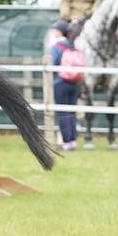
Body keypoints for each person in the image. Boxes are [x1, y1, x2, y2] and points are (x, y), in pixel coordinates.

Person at [48, 19, 81, 151]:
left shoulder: (56, 47)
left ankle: (66, 142)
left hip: (60, 82)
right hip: (75, 83)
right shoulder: (72, 46)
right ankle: (72, 141)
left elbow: (52, 63)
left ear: (59, 32)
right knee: (71, 112)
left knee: (63, 112)